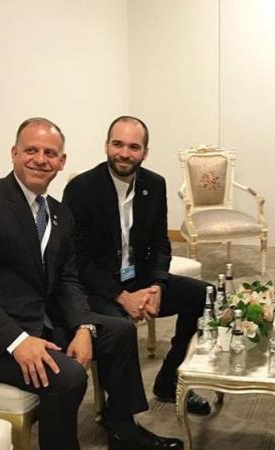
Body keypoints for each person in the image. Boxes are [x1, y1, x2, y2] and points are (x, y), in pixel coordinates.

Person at [0, 118, 183, 450]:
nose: (40, 159)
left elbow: (68, 279)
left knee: (118, 331)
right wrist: (18, 342)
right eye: (31, 150)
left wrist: (84, 325)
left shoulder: (58, 214)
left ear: (61, 161)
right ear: (14, 153)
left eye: (50, 153)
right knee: (68, 376)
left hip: (35, 319)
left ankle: (123, 430)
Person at [62, 116, 210, 416]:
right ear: (106, 146)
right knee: (120, 329)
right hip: (99, 287)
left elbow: (160, 243)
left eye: (133, 147)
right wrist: (121, 296)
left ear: (145, 152)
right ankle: (119, 417)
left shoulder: (154, 184)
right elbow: (78, 259)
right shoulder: (82, 188)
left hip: (139, 279)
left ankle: (170, 381)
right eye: (117, 144)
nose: (124, 153)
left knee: (206, 295)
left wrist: (157, 285)